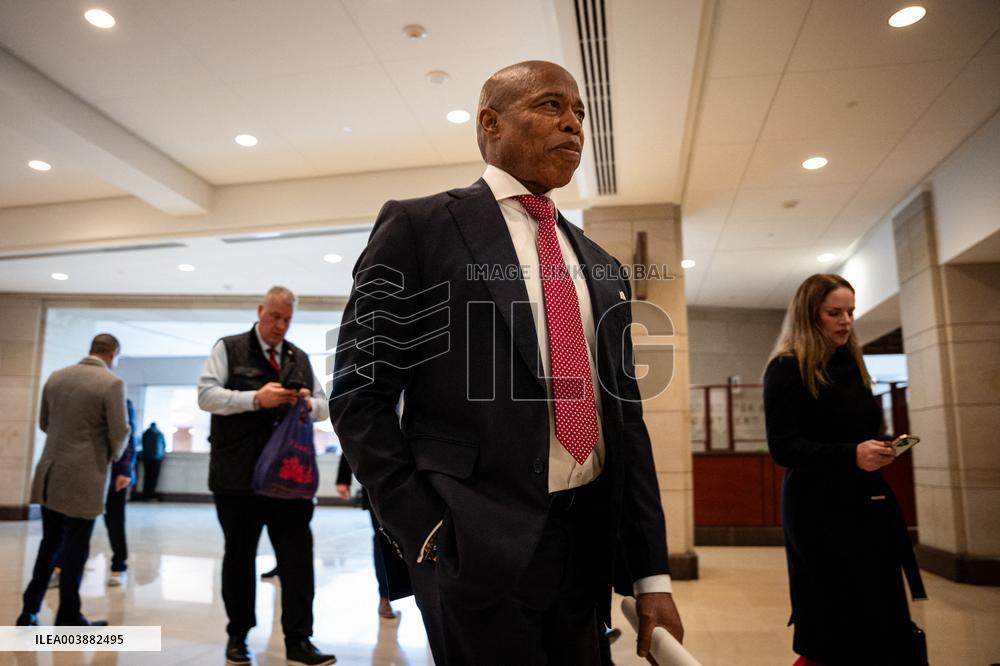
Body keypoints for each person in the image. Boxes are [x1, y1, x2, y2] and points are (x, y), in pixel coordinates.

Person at [329, 60, 683, 665]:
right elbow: (359, 394)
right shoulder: (420, 228)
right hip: (470, 546)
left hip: (585, 548)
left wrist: (651, 575)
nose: (573, 124)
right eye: (551, 105)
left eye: (580, 113)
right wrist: (423, 528)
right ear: (490, 122)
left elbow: (627, 425)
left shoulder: (602, 266)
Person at [763, 274, 926, 665]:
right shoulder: (786, 368)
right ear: (809, 315)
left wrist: (878, 448)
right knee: (832, 615)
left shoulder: (852, 362)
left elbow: (856, 430)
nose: (846, 321)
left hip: (866, 500)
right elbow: (784, 447)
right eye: (834, 312)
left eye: (850, 311)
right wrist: (850, 454)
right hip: (816, 509)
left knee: (880, 610)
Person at [197, 286, 336, 666]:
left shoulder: (298, 357)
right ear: (260, 311)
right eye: (275, 316)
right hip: (236, 478)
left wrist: (306, 402)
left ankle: (299, 640)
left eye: (287, 319)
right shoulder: (228, 348)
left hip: (288, 479)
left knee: (298, 560)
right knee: (239, 558)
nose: (280, 325)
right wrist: (256, 398)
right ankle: (238, 637)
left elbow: (324, 407)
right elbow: (206, 396)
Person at [16, 334, 130, 627]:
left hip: (50, 472)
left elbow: (44, 423)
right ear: (113, 352)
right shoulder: (111, 383)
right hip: (84, 476)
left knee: (50, 543)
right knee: (76, 549)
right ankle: (68, 615)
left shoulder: (57, 376)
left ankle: (29, 610)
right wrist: (112, 454)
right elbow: (121, 432)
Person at [335, 453, 411, 619]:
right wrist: (343, 477)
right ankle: (385, 596)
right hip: (379, 483)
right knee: (382, 540)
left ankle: (430, 598)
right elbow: (353, 438)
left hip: (414, 481)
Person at [103, 398, 138, 585]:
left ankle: (119, 565)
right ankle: (62, 566)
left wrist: (124, 469)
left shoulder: (121, 400)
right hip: (88, 470)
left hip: (115, 471)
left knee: (115, 521)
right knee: (75, 523)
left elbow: (129, 436)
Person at [140, 421, 166, 501]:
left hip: (147, 457)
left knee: (147, 477)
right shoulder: (159, 433)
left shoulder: (146, 433)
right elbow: (164, 445)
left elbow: (142, 443)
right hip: (157, 458)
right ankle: (151, 495)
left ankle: (145, 495)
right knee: (154, 477)